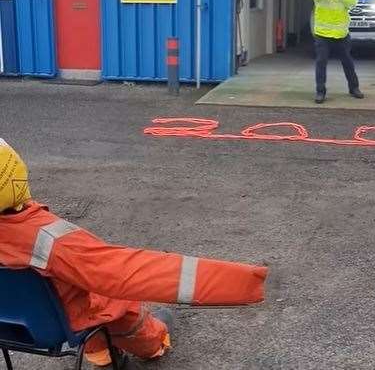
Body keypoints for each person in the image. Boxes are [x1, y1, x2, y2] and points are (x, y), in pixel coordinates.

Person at [0, 139, 267, 370]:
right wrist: (246, 282)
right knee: (115, 300)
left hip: (9, 326)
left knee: (72, 289)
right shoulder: (47, 238)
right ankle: (151, 344)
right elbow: (128, 273)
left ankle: (102, 353)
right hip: (60, 325)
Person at [312, 0, 364, 104]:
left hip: (341, 34)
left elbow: (352, 1)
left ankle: (354, 88)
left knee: (348, 62)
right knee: (321, 62)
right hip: (322, 33)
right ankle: (320, 91)